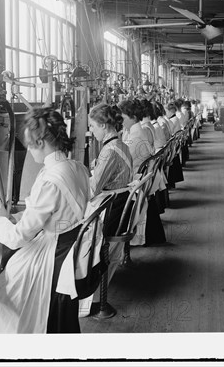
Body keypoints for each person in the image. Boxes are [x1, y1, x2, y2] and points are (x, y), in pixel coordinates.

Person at [0, 107, 90, 333]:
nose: (29, 151)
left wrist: (0, 221)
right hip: (69, 246)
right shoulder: (76, 167)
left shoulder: (50, 179)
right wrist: (18, 217)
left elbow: (17, 238)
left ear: (40, 142)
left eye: (29, 145)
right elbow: (53, 211)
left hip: (52, 256)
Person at [82, 102, 133, 317]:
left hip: (112, 210)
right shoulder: (120, 145)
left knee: (73, 227)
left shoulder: (109, 151)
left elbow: (93, 189)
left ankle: (85, 293)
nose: (91, 131)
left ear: (103, 125)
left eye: (92, 126)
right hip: (120, 205)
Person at [119, 99, 154, 177]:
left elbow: (122, 162)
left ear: (134, 118)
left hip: (133, 180)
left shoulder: (135, 137)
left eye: (123, 119)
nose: (121, 122)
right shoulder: (137, 131)